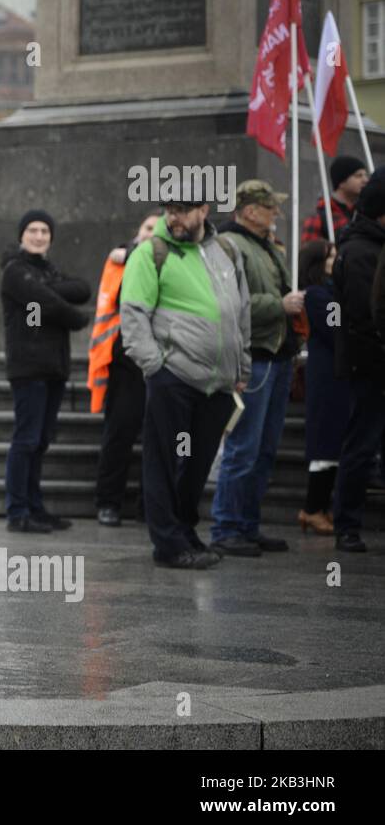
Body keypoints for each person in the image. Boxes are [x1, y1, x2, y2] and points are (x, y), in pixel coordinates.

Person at [119, 201, 250, 569]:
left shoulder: (226, 250)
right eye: (168, 210)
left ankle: (185, 531)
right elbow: (132, 315)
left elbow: (242, 313)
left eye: (182, 210)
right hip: (174, 379)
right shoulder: (151, 253)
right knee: (164, 463)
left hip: (219, 384)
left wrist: (243, 366)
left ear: (203, 210)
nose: (173, 218)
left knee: (196, 464)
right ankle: (168, 545)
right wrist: (156, 368)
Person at [209, 181, 305, 556]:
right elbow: (228, 304)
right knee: (243, 448)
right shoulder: (229, 246)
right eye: (269, 208)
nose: (276, 214)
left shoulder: (266, 246)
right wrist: (279, 305)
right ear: (249, 210)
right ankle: (226, 527)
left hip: (278, 356)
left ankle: (247, 525)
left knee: (264, 450)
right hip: (255, 357)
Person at [0, 209, 91, 533]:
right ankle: (17, 511)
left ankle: (35, 507)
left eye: (44, 231)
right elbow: (46, 302)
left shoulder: (49, 270)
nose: (39, 236)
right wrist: (76, 317)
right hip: (28, 367)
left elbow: (83, 289)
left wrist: (50, 289)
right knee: (26, 440)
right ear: (22, 234)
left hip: (54, 366)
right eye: (33, 230)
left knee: (40, 441)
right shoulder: (14, 271)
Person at [329, 167, 385, 552]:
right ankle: (346, 524)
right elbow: (365, 317)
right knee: (361, 447)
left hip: (371, 365)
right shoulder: (362, 251)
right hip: (370, 368)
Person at [90, 212, 159, 526]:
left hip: (161, 357)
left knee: (157, 439)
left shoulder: (168, 259)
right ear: (137, 230)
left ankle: (150, 504)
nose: (151, 233)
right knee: (120, 432)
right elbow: (118, 297)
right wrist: (135, 254)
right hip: (126, 359)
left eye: (158, 230)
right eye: (147, 227)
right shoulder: (122, 258)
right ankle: (108, 502)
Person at [297, 239, 346, 535]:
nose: (336, 260)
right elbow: (334, 328)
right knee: (324, 445)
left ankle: (320, 508)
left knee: (333, 444)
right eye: (331, 256)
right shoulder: (317, 295)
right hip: (326, 377)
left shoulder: (328, 293)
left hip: (335, 376)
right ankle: (313, 508)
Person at [300, 155, 367, 244]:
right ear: (342, 182)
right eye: (358, 176)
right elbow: (310, 255)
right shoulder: (318, 219)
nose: (365, 180)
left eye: (365, 175)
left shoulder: (366, 214)